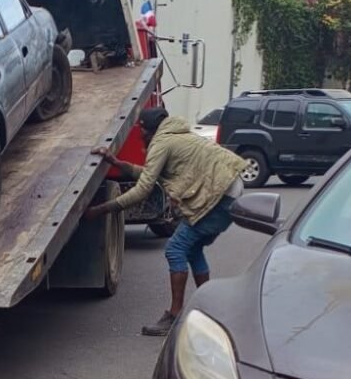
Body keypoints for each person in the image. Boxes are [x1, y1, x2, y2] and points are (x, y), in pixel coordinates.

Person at [86, 107, 247, 336]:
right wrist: (116, 162)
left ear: (146, 129)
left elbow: (143, 189)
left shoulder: (162, 143)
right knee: (192, 248)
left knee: (176, 248)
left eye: (140, 129)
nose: (140, 134)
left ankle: (174, 315)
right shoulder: (178, 136)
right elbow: (150, 174)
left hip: (219, 195)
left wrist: (102, 209)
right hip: (229, 189)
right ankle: (211, 311)